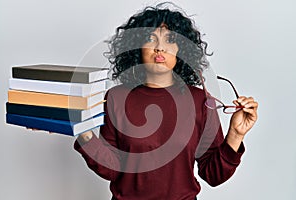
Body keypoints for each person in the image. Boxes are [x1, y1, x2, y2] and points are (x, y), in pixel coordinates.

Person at [74, 2, 258, 200]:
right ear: (137, 48)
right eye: (150, 39)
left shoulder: (200, 102)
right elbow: (112, 169)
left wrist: (235, 135)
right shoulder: (116, 98)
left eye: (170, 39)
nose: (160, 48)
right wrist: (84, 134)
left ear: (182, 49)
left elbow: (213, 175)